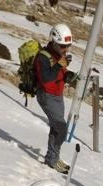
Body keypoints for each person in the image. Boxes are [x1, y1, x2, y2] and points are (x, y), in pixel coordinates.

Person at [34, 24, 77, 174]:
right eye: (63, 46)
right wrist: (59, 66)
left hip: (58, 96)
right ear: (54, 41)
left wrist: (68, 75)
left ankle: (52, 158)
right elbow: (46, 78)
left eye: (68, 46)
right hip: (46, 96)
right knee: (61, 128)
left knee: (55, 128)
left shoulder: (60, 56)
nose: (66, 49)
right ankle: (53, 159)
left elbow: (59, 73)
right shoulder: (43, 56)